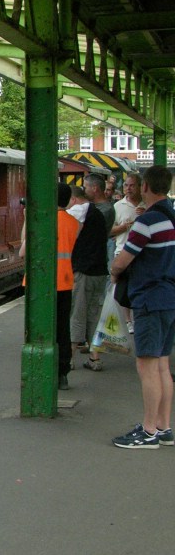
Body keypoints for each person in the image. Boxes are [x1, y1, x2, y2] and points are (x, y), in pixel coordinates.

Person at [109, 165, 175, 449]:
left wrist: (114, 272)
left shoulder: (147, 221)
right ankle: (163, 426)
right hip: (169, 296)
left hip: (149, 297)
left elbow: (123, 260)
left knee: (146, 365)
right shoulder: (172, 218)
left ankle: (148, 431)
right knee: (161, 364)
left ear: (146, 186)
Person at [19, 182, 79, 389]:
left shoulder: (42, 221)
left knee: (37, 328)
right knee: (63, 329)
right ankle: (62, 372)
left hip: (40, 284)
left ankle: (38, 369)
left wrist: (28, 220)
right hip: (65, 281)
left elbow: (23, 252)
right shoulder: (74, 222)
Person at [67, 183, 109, 371]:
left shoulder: (77, 211)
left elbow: (69, 238)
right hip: (100, 271)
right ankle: (94, 357)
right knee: (94, 315)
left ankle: (69, 356)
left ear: (74, 199)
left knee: (77, 313)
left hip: (83, 271)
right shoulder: (97, 213)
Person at [111, 173, 145, 333]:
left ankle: (137, 318)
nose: (128, 188)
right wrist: (124, 227)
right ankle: (127, 320)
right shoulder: (118, 206)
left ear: (140, 187)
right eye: (126, 185)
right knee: (124, 289)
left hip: (142, 254)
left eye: (132, 185)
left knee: (138, 287)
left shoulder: (146, 205)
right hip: (122, 251)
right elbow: (110, 231)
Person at [84, 174, 115, 267]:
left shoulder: (105, 210)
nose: (84, 191)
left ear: (94, 188)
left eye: (85, 187)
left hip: (94, 261)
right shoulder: (93, 206)